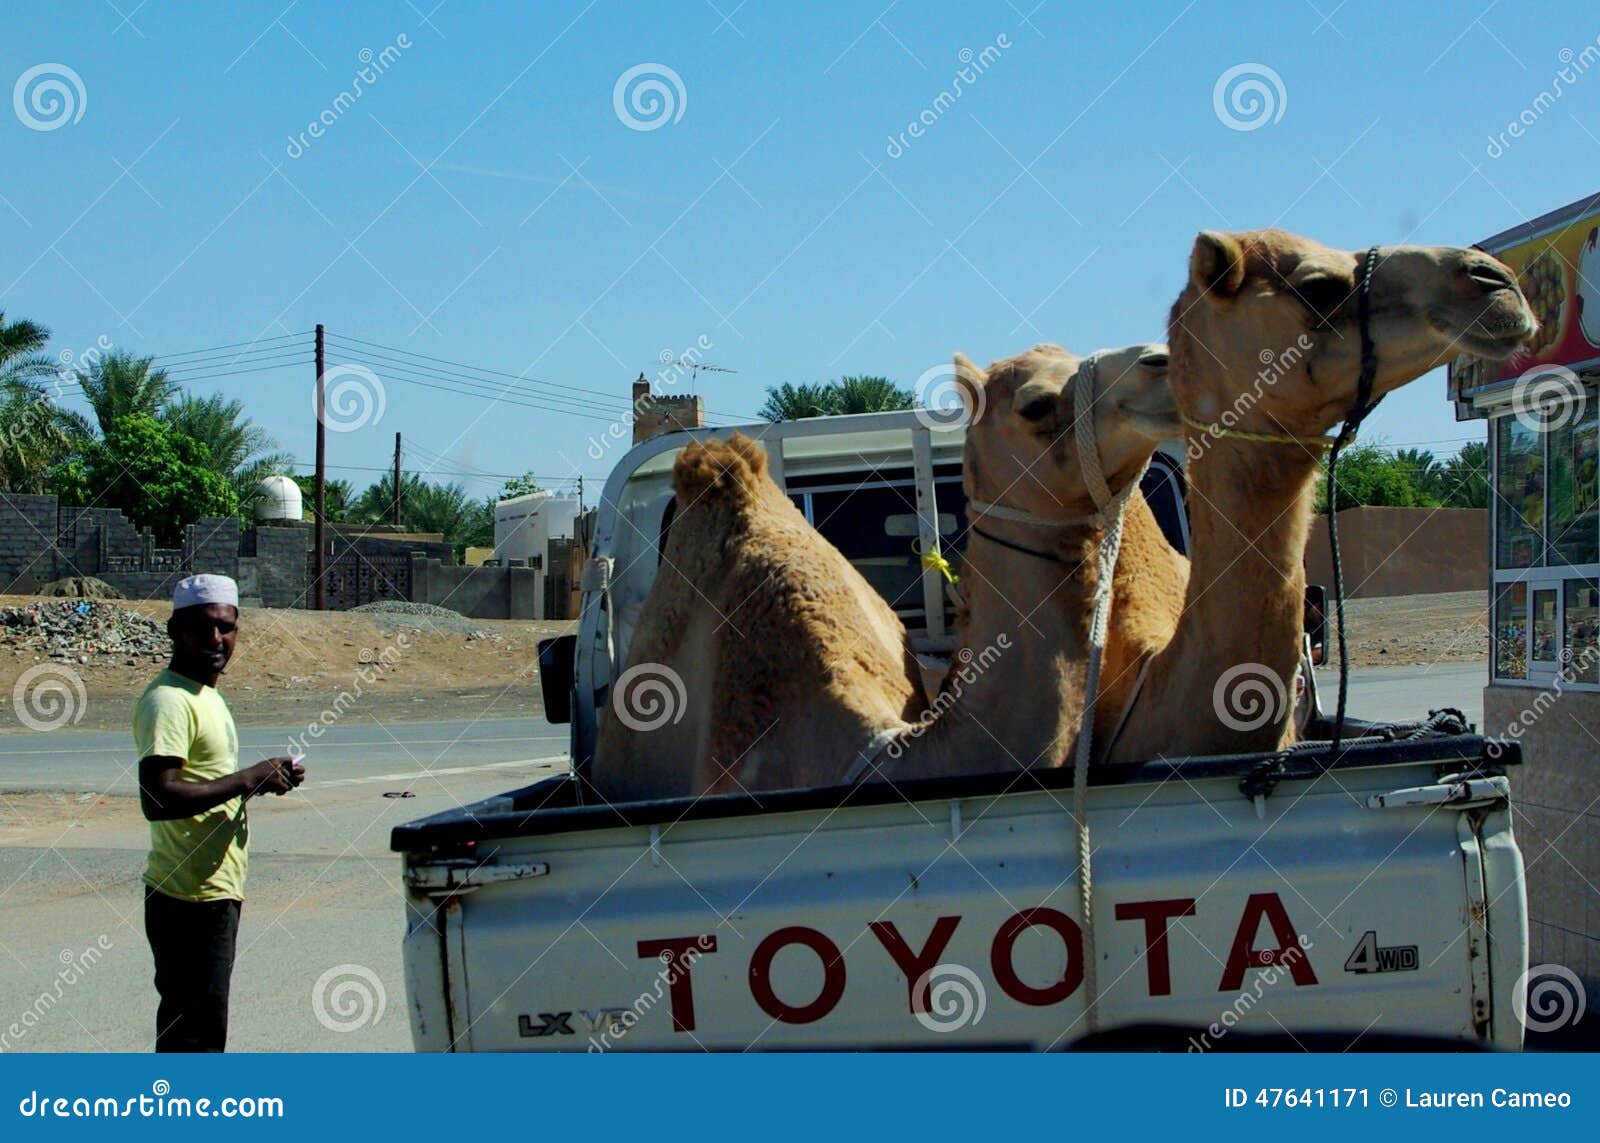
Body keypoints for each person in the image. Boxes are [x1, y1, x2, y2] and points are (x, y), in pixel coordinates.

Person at [135, 574, 305, 1052]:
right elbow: (160, 797)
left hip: (210, 891)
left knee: (199, 1031)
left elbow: (206, 783)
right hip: (189, 898)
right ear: (175, 630)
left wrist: (265, 780)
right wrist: (249, 778)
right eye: (203, 627)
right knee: (195, 1039)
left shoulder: (204, 694)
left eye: (226, 628)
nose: (216, 639)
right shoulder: (169, 701)